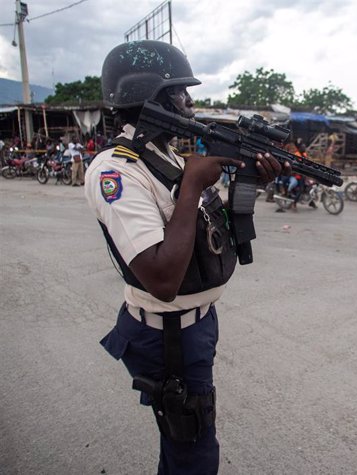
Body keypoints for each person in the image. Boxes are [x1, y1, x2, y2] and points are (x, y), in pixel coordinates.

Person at [84, 40, 287, 474]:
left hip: (195, 326)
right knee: (194, 452)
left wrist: (251, 182)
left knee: (182, 443)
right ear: (150, 96)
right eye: (180, 92)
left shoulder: (168, 157)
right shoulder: (116, 170)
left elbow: (207, 227)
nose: (190, 104)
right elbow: (160, 277)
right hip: (166, 336)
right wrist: (193, 182)